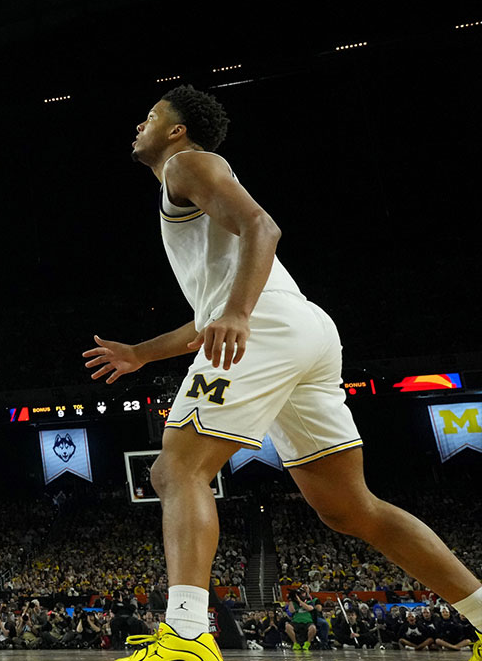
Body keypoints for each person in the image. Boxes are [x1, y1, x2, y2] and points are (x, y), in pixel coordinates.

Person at [84, 85, 482, 661]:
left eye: (151, 116)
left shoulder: (188, 164)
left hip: (267, 324)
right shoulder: (187, 189)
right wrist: (143, 353)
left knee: (176, 470)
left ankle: (189, 638)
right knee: (350, 509)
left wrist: (241, 313)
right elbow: (210, 315)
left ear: (177, 130)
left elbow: (262, 228)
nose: (139, 124)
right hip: (303, 329)